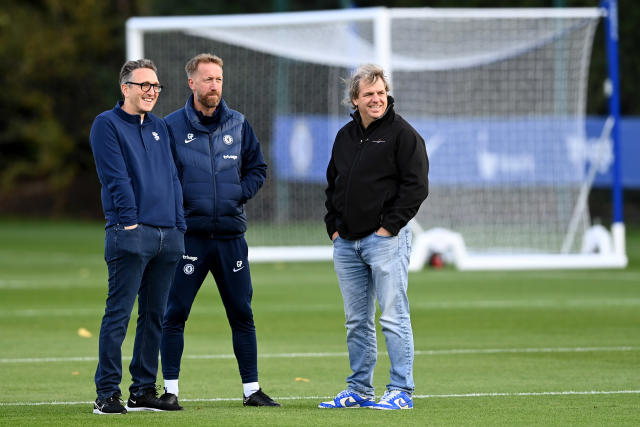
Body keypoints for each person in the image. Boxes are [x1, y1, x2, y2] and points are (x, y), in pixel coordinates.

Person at [160, 53, 279, 408]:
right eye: (208, 79)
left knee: (242, 314)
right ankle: (169, 392)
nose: (214, 85)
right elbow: (162, 176)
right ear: (191, 83)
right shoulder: (170, 127)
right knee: (175, 313)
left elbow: (258, 167)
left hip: (230, 239)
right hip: (190, 238)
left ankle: (251, 391)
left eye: (219, 79)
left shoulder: (239, 124)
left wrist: (236, 194)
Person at [320, 64, 429, 410]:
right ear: (355, 99)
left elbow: (417, 187)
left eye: (381, 92)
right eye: (368, 94)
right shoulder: (344, 136)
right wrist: (334, 228)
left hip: (385, 241)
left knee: (393, 317)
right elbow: (332, 184)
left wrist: (389, 228)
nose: (377, 99)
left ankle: (401, 390)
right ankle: (360, 389)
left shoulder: (403, 134)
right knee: (356, 321)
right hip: (346, 243)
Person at [89, 59, 186, 415]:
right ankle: (106, 394)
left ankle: (143, 390)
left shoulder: (161, 126)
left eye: (156, 86)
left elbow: (174, 177)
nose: (151, 92)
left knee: (154, 316)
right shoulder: (106, 124)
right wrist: (129, 223)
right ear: (125, 88)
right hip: (130, 234)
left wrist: (179, 225)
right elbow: (116, 179)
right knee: (119, 315)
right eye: (144, 85)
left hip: (168, 235)